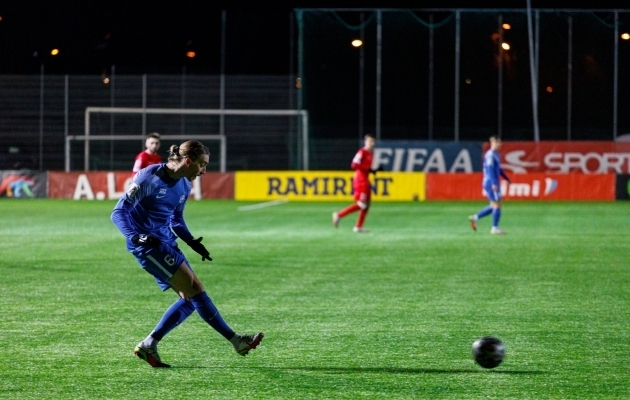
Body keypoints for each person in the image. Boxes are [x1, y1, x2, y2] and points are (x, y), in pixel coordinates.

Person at [111, 140, 263, 368]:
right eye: (202, 164)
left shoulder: (184, 185)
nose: (204, 171)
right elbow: (118, 212)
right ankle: (236, 341)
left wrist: (192, 242)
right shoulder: (148, 177)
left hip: (166, 241)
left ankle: (149, 344)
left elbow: (176, 220)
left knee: (191, 300)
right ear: (188, 161)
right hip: (148, 245)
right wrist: (136, 236)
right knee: (196, 290)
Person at [332, 134, 380, 233]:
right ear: (365, 142)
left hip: (366, 180)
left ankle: (358, 226)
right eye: (370, 141)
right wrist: (366, 169)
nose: (372, 143)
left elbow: (365, 167)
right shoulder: (361, 152)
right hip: (360, 180)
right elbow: (354, 164)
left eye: (373, 141)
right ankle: (339, 215)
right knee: (362, 204)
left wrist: (371, 170)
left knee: (367, 205)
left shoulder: (371, 154)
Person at [468, 136, 511, 235]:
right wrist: (493, 183)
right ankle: (494, 228)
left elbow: (498, 169)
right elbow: (490, 169)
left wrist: (506, 178)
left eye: (499, 142)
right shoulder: (490, 155)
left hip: (493, 181)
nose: (499, 144)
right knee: (497, 204)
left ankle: (475, 218)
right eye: (496, 142)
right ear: (492, 143)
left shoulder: (496, 154)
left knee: (494, 205)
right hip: (491, 182)